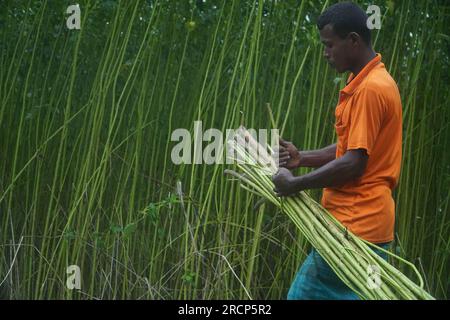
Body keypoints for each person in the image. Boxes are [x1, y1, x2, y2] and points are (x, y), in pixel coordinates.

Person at [271, 1, 403, 300]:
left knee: (300, 296)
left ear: (353, 40)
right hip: (371, 230)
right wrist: (302, 158)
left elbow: (354, 163)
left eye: (329, 45)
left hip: (354, 228)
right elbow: (351, 148)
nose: (325, 53)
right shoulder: (368, 82)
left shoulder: (371, 90)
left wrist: (296, 184)